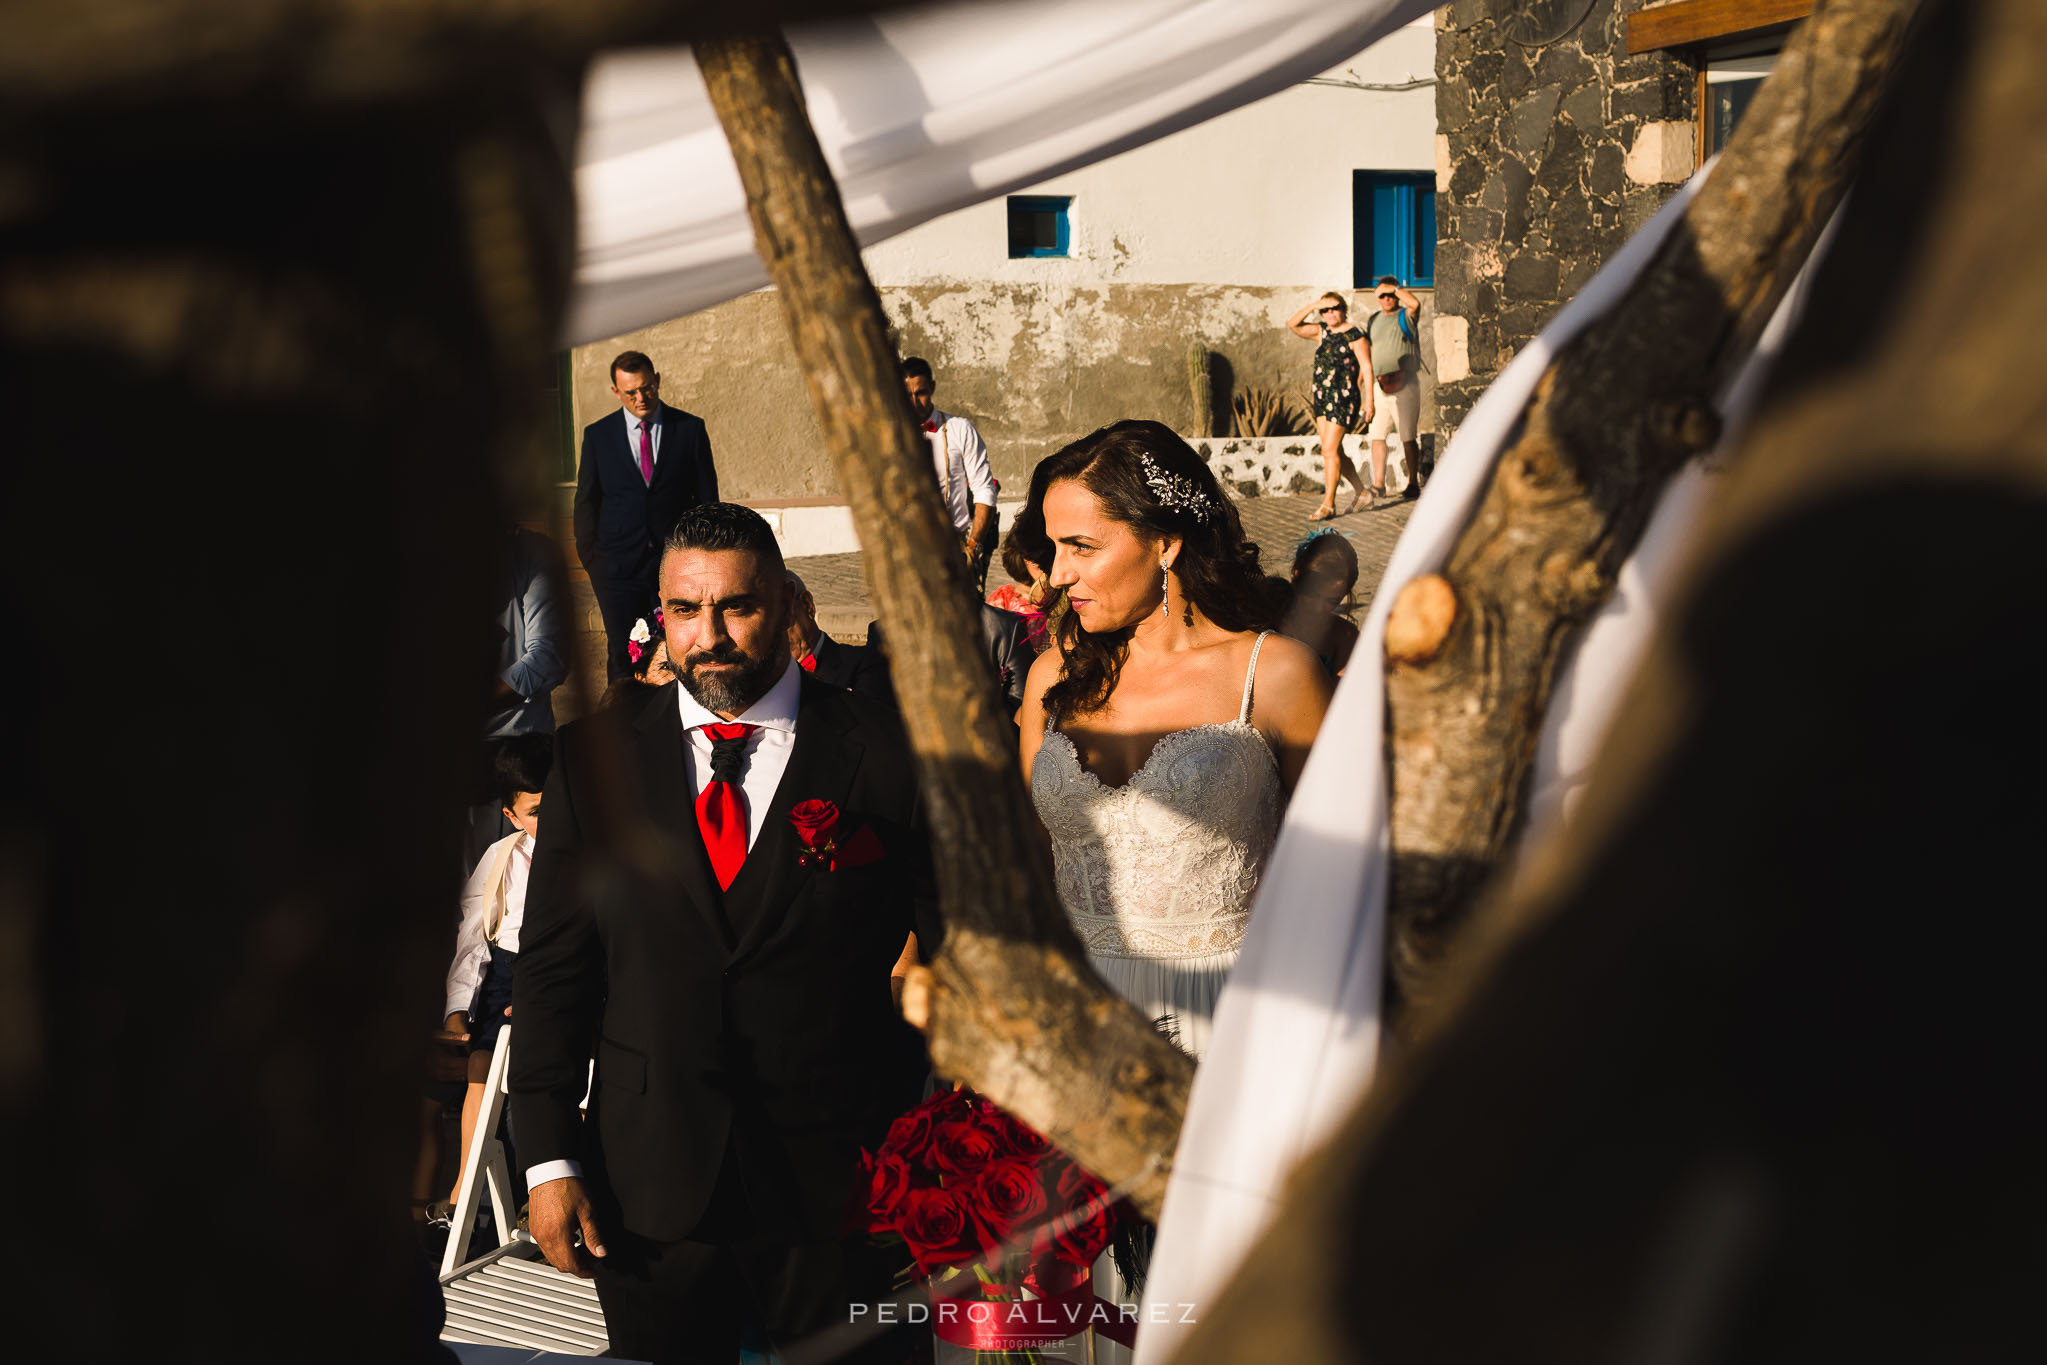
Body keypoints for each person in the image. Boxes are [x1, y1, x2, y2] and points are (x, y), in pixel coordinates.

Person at [511, 503, 937, 1365]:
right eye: (682, 610)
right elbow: (555, 973)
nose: (707, 636)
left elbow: (970, 956)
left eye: (735, 607)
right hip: (648, 1181)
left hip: (843, 1183)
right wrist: (547, 1159)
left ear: (786, 602)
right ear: (659, 613)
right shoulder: (591, 757)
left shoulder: (890, 755)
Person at [1016, 421, 1332, 1060]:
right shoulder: (1052, 675)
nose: (1056, 576)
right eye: (1054, 548)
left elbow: (1340, 872)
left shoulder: (1274, 675)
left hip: (1237, 1024)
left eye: (1081, 546)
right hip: (1078, 1022)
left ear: (1164, 542)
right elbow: (1030, 858)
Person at [435, 734, 551, 1226]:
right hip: (506, 972)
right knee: (481, 1070)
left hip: (556, 976)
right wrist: (458, 1004)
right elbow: (474, 932)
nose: (548, 821)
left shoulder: (586, 856)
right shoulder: (502, 857)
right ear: (511, 815)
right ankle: (463, 1191)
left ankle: (535, 1194)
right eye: (536, 812)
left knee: (533, 1078)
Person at [575, 350, 720, 681]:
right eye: (630, 392)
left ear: (657, 380)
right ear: (616, 392)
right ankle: (623, 726)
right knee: (622, 655)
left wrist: (699, 560)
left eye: (647, 388)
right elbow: (587, 502)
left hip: (674, 568)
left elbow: (707, 502)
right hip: (616, 571)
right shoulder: (598, 436)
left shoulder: (689, 429)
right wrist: (594, 562)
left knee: (679, 651)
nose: (641, 398)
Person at [903, 356, 999, 592]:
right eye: (907, 395)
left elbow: (984, 489)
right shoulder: (890, 437)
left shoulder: (960, 429)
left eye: (921, 393)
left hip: (955, 546)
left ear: (932, 388)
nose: (915, 402)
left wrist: (973, 546)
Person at [1287, 291, 1374, 520]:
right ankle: (1363, 492)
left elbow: (1366, 368)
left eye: (1334, 308)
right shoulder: (1322, 332)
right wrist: (1316, 304)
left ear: (1344, 309)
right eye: (1325, 310)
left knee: (1328, 450)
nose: (1330, 313)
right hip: (1322, 398)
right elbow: (1293, 324)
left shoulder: (1355, 334)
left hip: (1344, 398)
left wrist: (1369, 401)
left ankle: (1328, 503)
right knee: (1335, 451)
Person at [1362, 275, 1425, 501]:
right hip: (1380, 385)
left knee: (1407, 435)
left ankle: (1412, 483)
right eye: (1382, 295)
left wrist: (1395, 289)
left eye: (1390, 295)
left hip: (1405, 383)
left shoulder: (1405, 315)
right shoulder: (1374, 320)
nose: (1387, 298)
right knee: (1377, 435)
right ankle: (1379, 484)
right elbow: (1369, 351)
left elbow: (1415, 304)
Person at [785, 570, 892, 702]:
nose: (775, 634)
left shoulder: (864, 663)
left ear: (807, 605)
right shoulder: (764, 683)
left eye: (782, 618)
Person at [1279, 529, 1361, 678]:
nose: (1318, 608)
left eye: (1332, 601)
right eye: (1311, 594)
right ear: (1297, 574)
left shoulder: (1344, 636)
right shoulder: (1269, 618)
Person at [985, 531, 1064, 655]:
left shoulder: (1068, 597)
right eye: (1033, 559)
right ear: (1022, 559)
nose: (1041, 565)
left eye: (1047, 557)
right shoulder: (1003, 599)